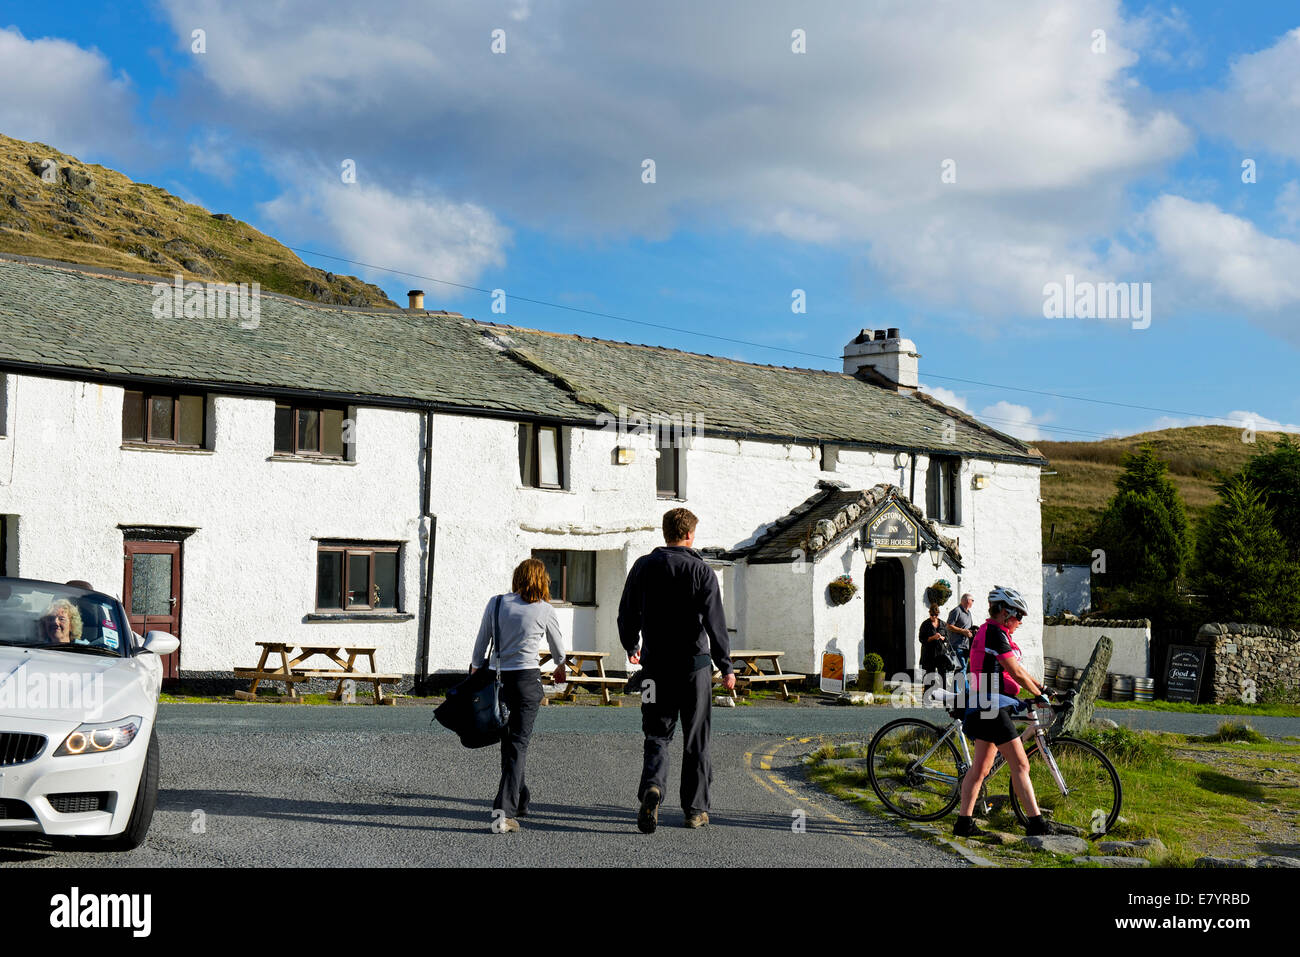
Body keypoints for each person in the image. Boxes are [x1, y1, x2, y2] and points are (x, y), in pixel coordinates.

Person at [618, 508, 735, 832]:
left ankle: (653, 787)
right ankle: (695, 810)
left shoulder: (643, 567)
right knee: (696, 738)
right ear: (689, 534)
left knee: (656, 732)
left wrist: (631, 645)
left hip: (654, 668)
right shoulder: (702, 571)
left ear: (665, 531)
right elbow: (715, 623)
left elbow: (627, 611)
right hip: (694, 668)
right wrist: (725, 665)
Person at [469, 558, 567, 833]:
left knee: (509, 743)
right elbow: (559, 650)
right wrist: (560, 666)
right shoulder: (545, 609)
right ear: (542, 580)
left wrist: (477, 669)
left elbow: (481, 643)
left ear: (517, 578)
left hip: (497, 680)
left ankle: (520, 797)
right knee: (517, 745)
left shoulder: (496, 603)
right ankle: (504, 813)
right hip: (527, 681)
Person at [953, 585, 1055, 838]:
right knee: (1020, 763)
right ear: (1004, 612)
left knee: (980, 769)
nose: (1020, 621)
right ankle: (1036, 823)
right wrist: (1037, 695)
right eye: (1018, 616)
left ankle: (963, 824)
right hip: (989, 706)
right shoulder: (993, 633)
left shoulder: (996, 633)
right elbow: (1016, 672)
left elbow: (1016, 670)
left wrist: (1040, 688)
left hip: (987, 705)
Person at [918, 603, 953, 679]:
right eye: (932, 614)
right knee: (930, 677)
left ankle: (943, 691)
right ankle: (929, 690)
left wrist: (942, 638)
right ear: (929, 613)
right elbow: (921, 639)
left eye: (936, 615)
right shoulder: (925, 624)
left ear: (938, 614)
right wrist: (932, 637)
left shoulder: (943, 624)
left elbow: (947, 638)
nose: (934, 616)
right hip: (929, 654)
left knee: (943, 676)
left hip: (941, 654)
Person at [945, 592, 975, 666]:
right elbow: (948, 626)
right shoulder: (956, 611)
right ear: (968, 601)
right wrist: (963, 631)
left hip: (965, 646)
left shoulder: (969, 613)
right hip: (956, 645)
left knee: (961, 669)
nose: (973, 602)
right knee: (961, 668)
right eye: (972, 600)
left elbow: (966, 628)